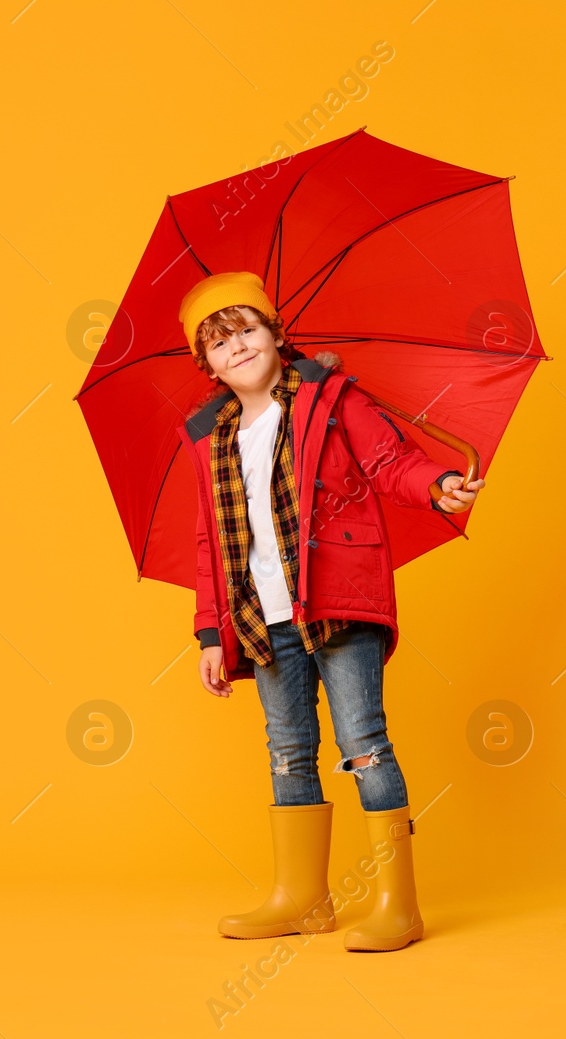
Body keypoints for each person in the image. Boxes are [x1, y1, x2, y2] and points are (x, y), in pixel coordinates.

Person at [174, 271, 484, 952]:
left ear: (277, 333)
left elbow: (388, 461)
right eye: (220, 342)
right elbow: (208, 539)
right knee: (288, 753)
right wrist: (208, 631)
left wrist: (436, 485)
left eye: (247, 329)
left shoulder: (329, 397)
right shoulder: (210, 437)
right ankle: (302, 897)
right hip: (262, 616)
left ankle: (397, 904)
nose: (238, 347)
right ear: (208, 366)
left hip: (340, 599)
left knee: (363, 743)